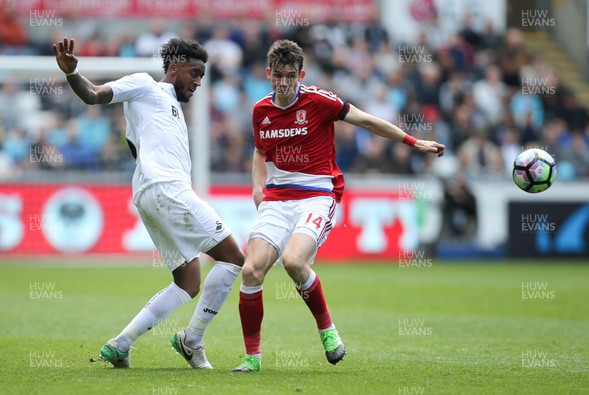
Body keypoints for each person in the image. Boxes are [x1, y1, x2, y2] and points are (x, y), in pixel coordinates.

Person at [232, 39, 445, 372]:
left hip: (317, 194)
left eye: (292, 76)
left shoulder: (319, 101)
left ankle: (327, 330)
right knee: (250, 270)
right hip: (277, 197)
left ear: (301, 74)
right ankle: (252, 357)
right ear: (268, 74)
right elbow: (260, 152)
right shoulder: (261, 110)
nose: (285, 83)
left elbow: (367, 121)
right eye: (278, 76)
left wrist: (414, 142)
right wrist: (258, 186)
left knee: (293, 261)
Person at [53, 37, 245, 369]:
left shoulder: (167, 110)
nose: (199, 81)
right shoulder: (144, 85)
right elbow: (95, 95)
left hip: (148, 194)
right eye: (195, 73)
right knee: (233, 259)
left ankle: (120, 344)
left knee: (188, 281)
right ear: (174, 68)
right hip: (167, 189)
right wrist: (73, 74)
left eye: (202, 75)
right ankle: (192, 341)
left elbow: (137, 150)